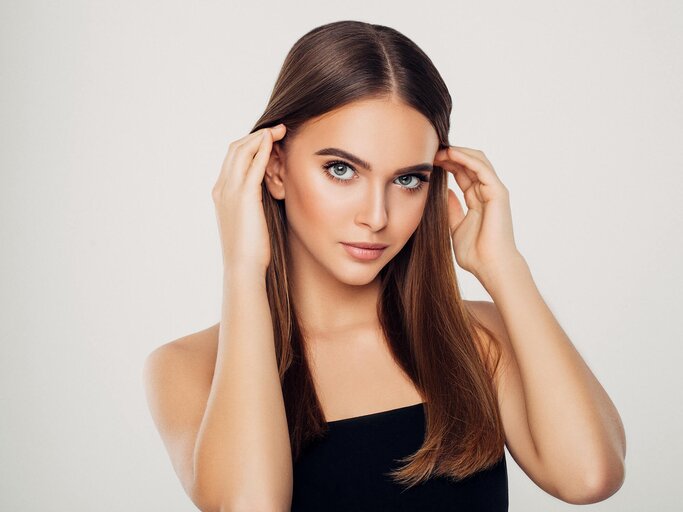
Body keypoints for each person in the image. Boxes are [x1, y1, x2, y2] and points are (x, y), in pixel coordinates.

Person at [143, 20, 626, 512]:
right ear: (276, 169)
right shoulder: (189, 367)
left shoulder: (477, 338)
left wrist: (505, 267)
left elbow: (590, 477)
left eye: (408, 180)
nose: (376, 217)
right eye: (341, 169)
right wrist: (243, 269)